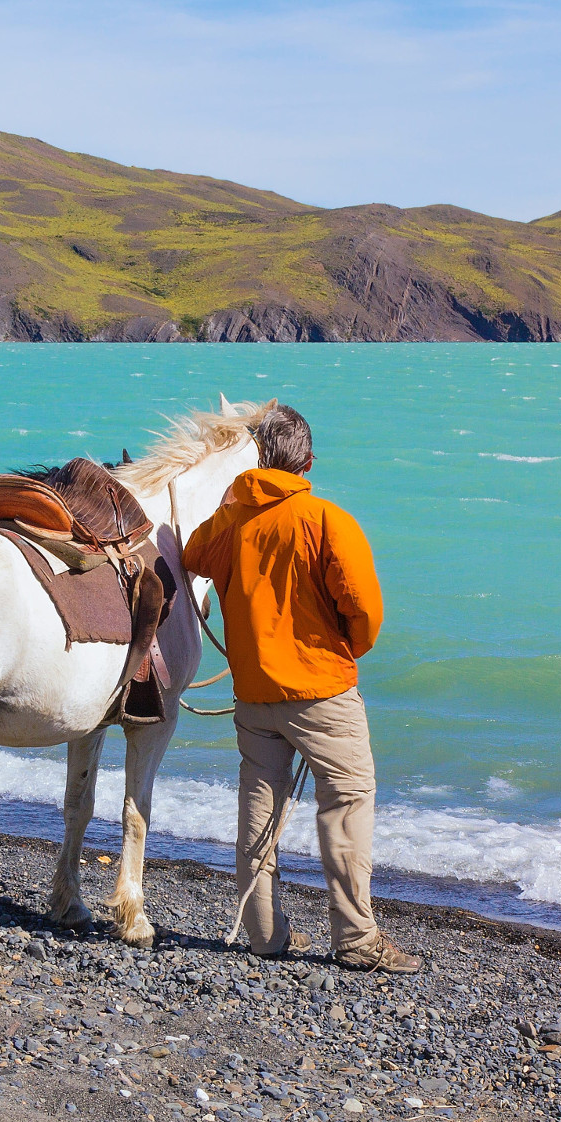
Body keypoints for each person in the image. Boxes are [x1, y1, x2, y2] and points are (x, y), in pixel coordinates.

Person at [182, 404, 422, 973]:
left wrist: (232, 505)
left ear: (260, 457)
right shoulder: (326, 519)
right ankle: (356, 939)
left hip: (254, 697)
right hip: (322, 692)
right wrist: (346, 651)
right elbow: (364, 611)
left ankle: (264, 936)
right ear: (308, 461)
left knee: (259, 815)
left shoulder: (234, 522)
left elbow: (193, 555)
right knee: (346, 803)